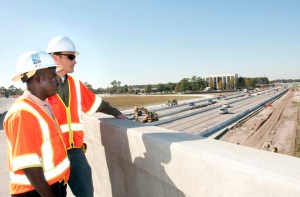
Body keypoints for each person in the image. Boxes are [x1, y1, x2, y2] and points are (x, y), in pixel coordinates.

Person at [47, 36, 126, 196]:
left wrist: (116, 113)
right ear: (56, 57)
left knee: (86, 193)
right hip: (51, 154)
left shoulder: (75, 84)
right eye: (71, 57)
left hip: (75, 152)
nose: (75, 61)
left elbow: (96, 103)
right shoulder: (41, 84)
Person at [3, 50, 70, 196]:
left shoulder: (41, 106)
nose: (58, 80)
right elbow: (29, 166)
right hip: (36, 192)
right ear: (38, 79)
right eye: (53, 76)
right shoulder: (23, 113)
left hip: (50, 187)